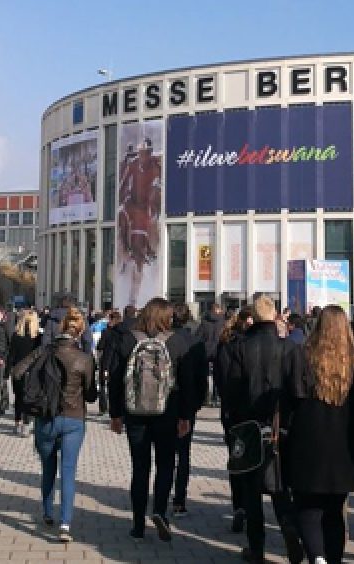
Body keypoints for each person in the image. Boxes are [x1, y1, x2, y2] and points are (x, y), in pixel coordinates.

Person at [283, 305, 354, 564]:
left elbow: (289, 400)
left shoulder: (302, 356)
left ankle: (317, 557)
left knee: (308, 507)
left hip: (307, 442)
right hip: (345, 446)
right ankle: (332, 559)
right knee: (335, 510)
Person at [220, 294, 303, 564]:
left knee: (251, 490)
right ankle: (289, 528)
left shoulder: (240, 347)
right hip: (282, 426)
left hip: (247, 426)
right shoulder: (290, 348)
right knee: (280, 485)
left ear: (252, 318)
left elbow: (230, 390)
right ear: (276, 315)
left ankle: (257, 549)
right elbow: (298, 390)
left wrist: (232, 421)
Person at [108, 297, 197, 542]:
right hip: (167, 411)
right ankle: (159, 511)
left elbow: (115, 379)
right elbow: (187, 382)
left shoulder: (127, 339)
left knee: (140, 467)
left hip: (135, 412)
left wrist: (115, 414)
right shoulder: (176, 341)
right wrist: (185, 416)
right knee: (166, 464)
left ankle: (137, 524)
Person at [13, 307, 97, 543]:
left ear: (61, 329)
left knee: (48, 468)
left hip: (46, 417)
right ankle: (66, 524)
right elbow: (91, 395)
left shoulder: (44, 351)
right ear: (80, 332)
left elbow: (17, 372)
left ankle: (48, 512)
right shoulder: (84, 359)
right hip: (73, 419)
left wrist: (33, 396)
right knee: (68, 472)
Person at [216, 308, 254, 534]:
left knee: (236, 458)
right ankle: (250, 506)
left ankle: (239, 506)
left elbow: (221, 380)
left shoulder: (226, 345)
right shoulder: (249, 344)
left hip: (231, 412)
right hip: (253, 410)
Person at [172, 302, 209, 517]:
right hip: (188, 403)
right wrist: (198, 402)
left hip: (165, 403)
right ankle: (179, 500)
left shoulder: (164, 340)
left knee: (165, 452)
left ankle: (161, 493)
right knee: (183, 453)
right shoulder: (195, 342)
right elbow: (202, 376)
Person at [117, 138, 162, 303]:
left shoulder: (156, 167)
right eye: (142, 153)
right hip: (132, 204)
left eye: (147, 153)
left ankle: (150, 250)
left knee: (153, 223)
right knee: (121, 219)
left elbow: (159, 186)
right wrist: (122, 199)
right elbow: (122, 184)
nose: (144, 156)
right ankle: (124, 252)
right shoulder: (133, 165)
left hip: (146, 208)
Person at [7, 310, 41, 437]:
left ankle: (17, 423)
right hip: (33, 372)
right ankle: (26, 424)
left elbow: (11, 356)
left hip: (17, 371)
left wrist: (7, 372)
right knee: (30, 399)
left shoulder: (16, 336)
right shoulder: (38, 338)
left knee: (19, 398)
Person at [197, 304, 226, 408]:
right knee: (217, 374)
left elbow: (198, 337)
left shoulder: (204, 322)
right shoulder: (223, 322)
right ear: (220, 310)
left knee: (204, 374)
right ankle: (216, 397)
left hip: (206, 351)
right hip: (219, 351)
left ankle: (205, 397)